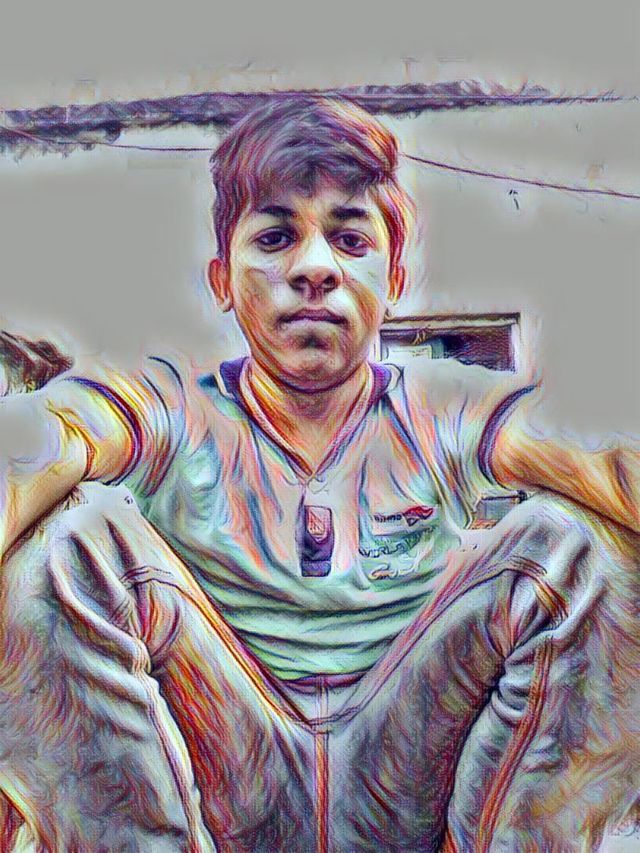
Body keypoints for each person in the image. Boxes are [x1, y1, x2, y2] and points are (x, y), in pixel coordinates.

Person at [0, 96, 638, 852]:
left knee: (581, 550)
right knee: (62, 546)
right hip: (226, 781)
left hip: (411, 779)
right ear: (222, 279)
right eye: (275, 237)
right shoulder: (168, 402)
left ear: (393, 274)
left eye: (349, 238)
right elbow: (45, 436)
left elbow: (602, 452)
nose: (313, 268)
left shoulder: (451, 409)